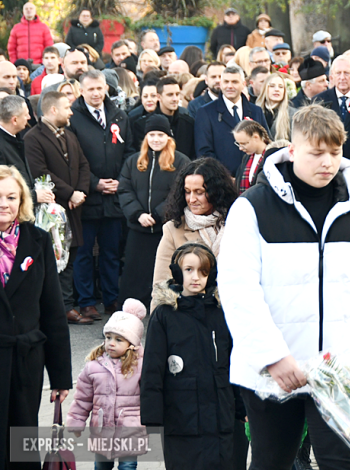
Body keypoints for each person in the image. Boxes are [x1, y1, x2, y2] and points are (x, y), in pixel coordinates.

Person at [217, 104, 350, 470]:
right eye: (317, 153)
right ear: (293, 150)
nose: (327, 162)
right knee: (272, 463)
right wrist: (272, 355)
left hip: (343, 371)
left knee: (346, 465)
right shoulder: (252, 207)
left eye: (335, 153)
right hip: (272, 372)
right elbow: (238, 288)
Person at [143, 243, 242, 469]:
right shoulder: (165, 315)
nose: (195, 277)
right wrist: (152, 418)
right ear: (178, 273)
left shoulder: (221, 313)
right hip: (181, 419)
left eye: (203, 272)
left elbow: (234, 361)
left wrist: (241, 407)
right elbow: (152, 369)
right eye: (189, 270)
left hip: (220, 418)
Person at [0, 165, 72, 468]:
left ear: (22, 200)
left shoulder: (38, 240)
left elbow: (53, 311)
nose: (4, 204)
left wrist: (60, 377)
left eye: (11, 197)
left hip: (25, 362)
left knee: (21, 449)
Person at [69, 69, 133, 320]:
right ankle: (86, 301)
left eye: (100, 88)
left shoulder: (119, 115)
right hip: (87, 196)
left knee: (111, 251)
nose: (96, 93)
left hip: (114, 196)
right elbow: (74, 158)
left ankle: (111, 298)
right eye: (91, 89)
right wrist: (95, 183)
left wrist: (120, 181)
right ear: (82, 90)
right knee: (84, 252)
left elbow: (129, 150)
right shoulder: (74, 118)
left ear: (106, 88)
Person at [24, 91, 92, 325]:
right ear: (53, 110)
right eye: (67, 107)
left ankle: (66, 307)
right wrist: (69, 192)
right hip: (51, 211)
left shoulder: (69, 134)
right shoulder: (33, 138)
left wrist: (80, 192)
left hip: (73, 208)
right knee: (53, 260)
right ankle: (56, 309)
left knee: (70, 257)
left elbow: (83, 163)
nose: (71, 111)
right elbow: (40, 171)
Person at [118, 115, 190, 309]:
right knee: (134, 271)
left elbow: (179, 192)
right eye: (152, 135)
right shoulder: (133, 161)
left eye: (160, 134)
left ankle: (164, 308)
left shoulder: (181, 161)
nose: (156, 139)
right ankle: (131, 308)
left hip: (164, 229)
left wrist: (158, 215)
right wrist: (138, 214)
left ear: (168, 137)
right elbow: (124, 189)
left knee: (164, 271)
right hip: (138, 228)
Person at [66, 299, 147, 470]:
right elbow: (82, 398)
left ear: (132, 344)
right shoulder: (93, 366)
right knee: (102, 466)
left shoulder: (140, 367)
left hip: (130, 431)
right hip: (102, 431)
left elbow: (150, 396)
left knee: (128, 466)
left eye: (119, 339)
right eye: (108, 337)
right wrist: (76, 422)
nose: (111, 343)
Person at [152, 157, 237, 286]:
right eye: (187, 192)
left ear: (217, 192)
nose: (191, 199)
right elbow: (161, 285)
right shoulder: (173, 229)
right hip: (190, 304)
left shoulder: (238, 224)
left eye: (199, 192)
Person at [194, 65, 268, 174]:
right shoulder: (206, 112)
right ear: (221, 84)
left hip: (253, 178)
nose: (230, 86)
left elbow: (266, 144)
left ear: (243, 84)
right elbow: (204, 152)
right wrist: (225, 177)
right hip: (221, 181)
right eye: (226, 82)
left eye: (234, 82)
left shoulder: (256, 111)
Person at [0, 95, 56, 204]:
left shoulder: (14, 138)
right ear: (14, 120)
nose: (29, 117)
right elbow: (3, 187)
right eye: (26, 115)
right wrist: (34, 196)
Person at [155, 76, 196, 160]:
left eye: (177, 94)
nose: (175, 99)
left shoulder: (188, 123)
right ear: (159, 97)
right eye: (170, 95)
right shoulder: (146, 123)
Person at [232, 119, 271, 193]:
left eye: (244, 144)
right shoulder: (246, 158)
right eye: (238, 144)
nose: (240, 148)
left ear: (256, 138)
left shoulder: (271, 156)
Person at [256, 72, 296, 141]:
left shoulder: (293, 115)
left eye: (281, 87)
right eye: (272, 86)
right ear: (265, 88)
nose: (277, 89)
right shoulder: (255, 111)